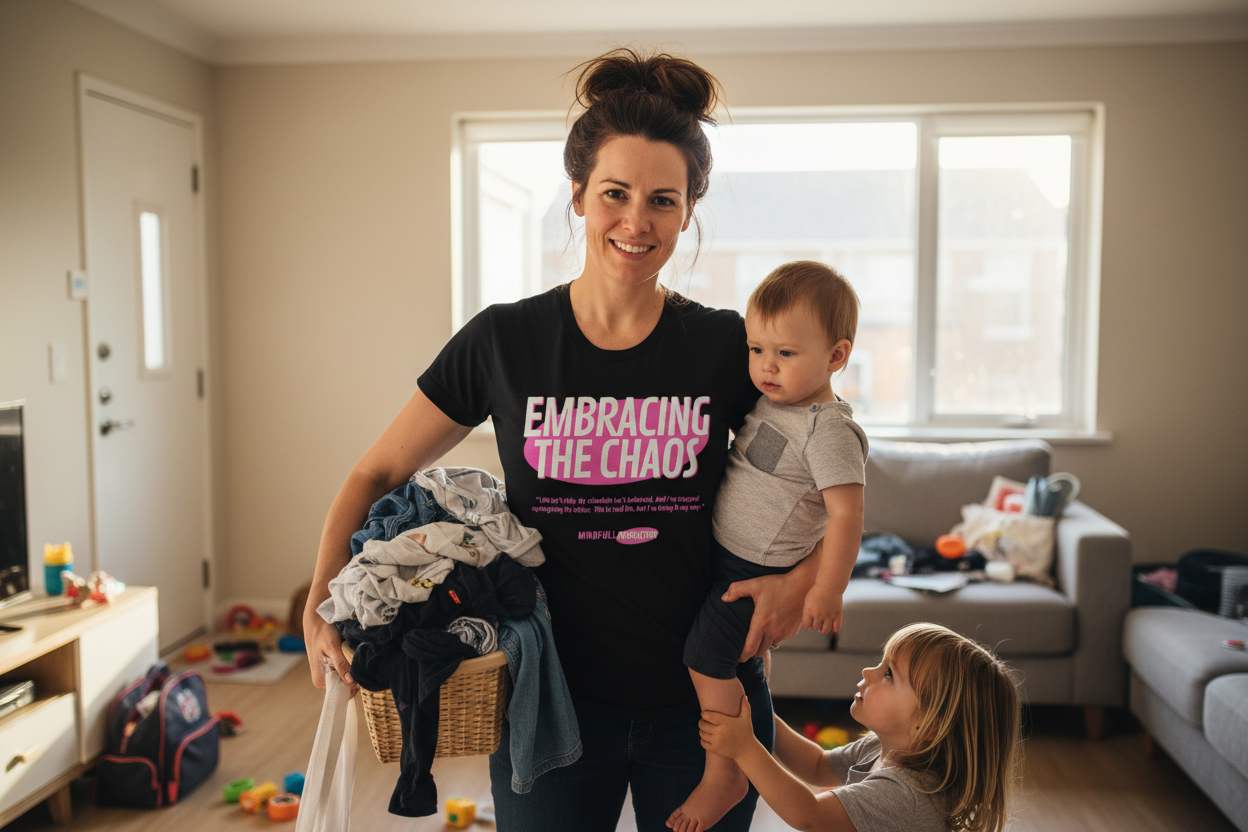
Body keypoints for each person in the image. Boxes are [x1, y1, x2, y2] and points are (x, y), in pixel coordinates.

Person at [303, 48, 824, 831]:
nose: (636, 222)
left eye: (663, 200)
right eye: (614, 193)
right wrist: (317, 602)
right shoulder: (504, 341)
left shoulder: (724, 346)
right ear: (578, 196)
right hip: (547, 704)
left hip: (705, 715)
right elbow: (377, 468)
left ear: (689, 211)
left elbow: (836, 462)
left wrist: (805, 580)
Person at [668, 262, 867, 832]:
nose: (765, 366)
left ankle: (726, 772)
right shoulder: (774, 402)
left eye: (785, 353)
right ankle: (753, 739)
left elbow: (847, 512)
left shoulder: (827, 429)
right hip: (724, 556)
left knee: (705, 657)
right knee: (732, 659)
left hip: (758, 570)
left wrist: (827, 588)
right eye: (757, 350)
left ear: (835, 356)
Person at [698, 623, 1023, 832]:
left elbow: (808, 815)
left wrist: (745, 748)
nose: (869, 671)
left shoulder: (904, 794)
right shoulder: (884, 748)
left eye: (889, 674)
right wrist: (760, 710)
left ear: (929, 727)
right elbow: (816, 765)